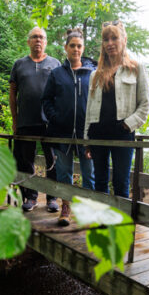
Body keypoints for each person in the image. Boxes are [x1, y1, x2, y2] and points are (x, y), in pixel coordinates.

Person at [84, 20, 149, 198]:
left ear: (124, 39)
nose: (110, 43)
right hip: (98, 134)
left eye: (114, 38)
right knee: (99, 182)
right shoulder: (94, 74)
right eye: (106, 39)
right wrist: (87, 139)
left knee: (121, 182)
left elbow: (145, 105)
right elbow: (89, 108)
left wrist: (126, 125)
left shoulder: (136, 69)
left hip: (122, 133)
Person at [41, 28, 96, 226]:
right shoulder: (57, 74)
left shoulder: (92, 73)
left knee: (89, 173)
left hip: (86, 135)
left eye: (79, 46)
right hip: (62, 134)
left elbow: (99, 102)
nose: (75, 49)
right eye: (72, 45)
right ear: (66, 48)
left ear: (83, 48)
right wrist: (55, 118)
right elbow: (46, 100)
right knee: (64, 173)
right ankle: (66, 207)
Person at [9, 26, 61, 212]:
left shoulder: (55, 64)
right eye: (34, 37)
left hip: (50, 122)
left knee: (53, 160)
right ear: (28, 41)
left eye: (41, 37)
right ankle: (30, 198)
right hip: (25, 121)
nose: (38, 40)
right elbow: (13, 94)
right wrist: (15, 120)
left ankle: (52, 198)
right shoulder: (19, 64)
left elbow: (61, 93)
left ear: (46, 42)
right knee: (25, 160)